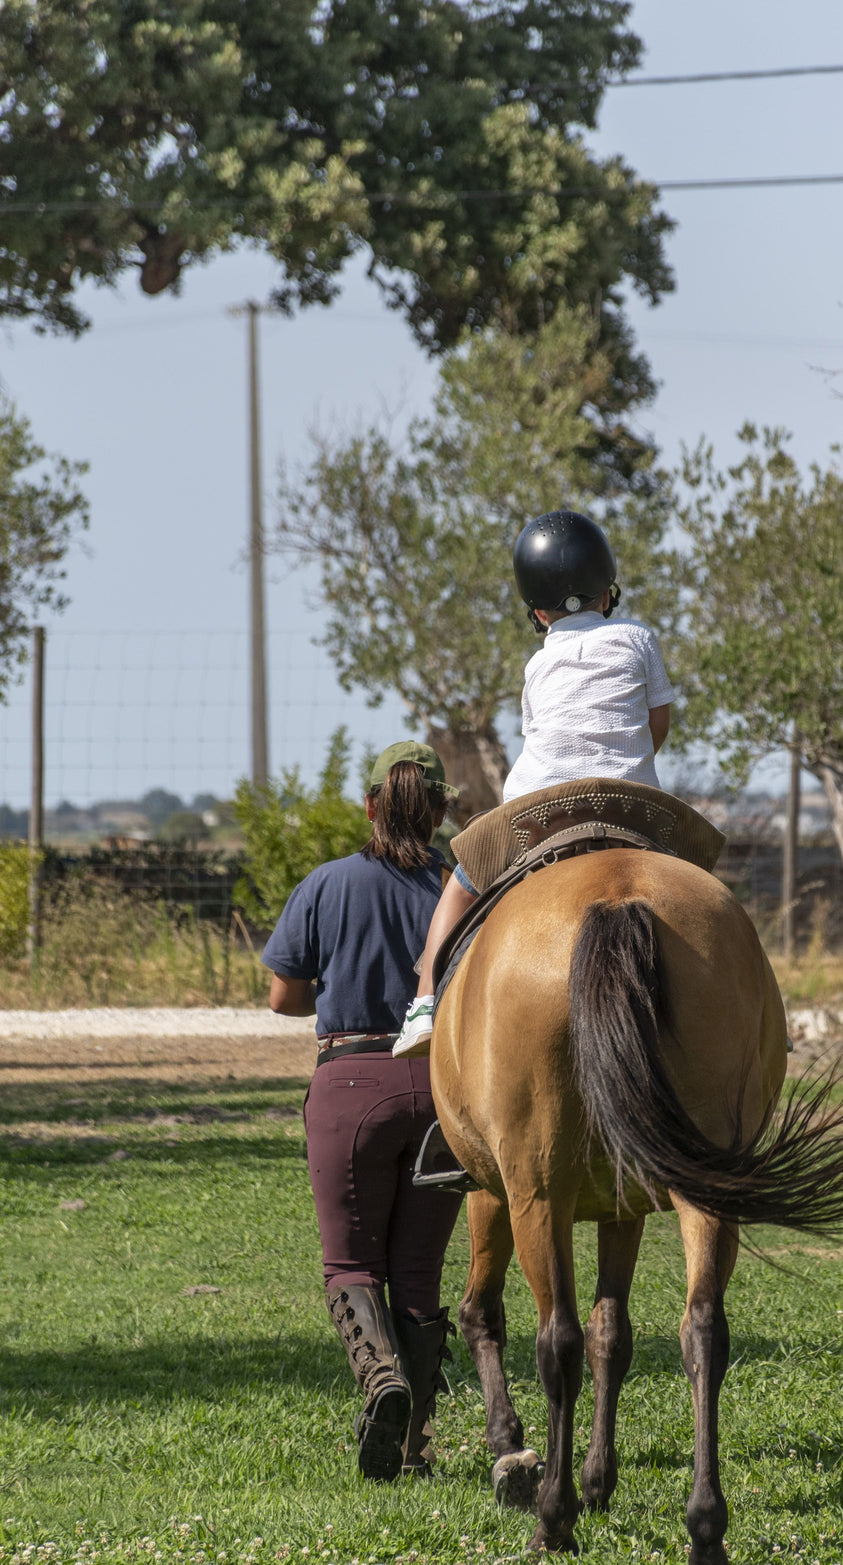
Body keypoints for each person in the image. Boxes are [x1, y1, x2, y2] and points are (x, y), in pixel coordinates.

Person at [392, 509, 673, 1058]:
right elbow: (656, 724)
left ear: (537, 613)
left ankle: (424, 1003)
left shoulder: (537, 665)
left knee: (463, 880)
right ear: (607, 591)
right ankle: (762, 1004)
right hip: (631, 801)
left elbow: (541, 738)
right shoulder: (639, 638)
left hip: (539, 806)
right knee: (696, 875)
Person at [262, 740, 463, 1482]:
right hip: (442, 1089)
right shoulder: (459, 889)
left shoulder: (326, 883)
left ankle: (383, 1384)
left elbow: (283, 996)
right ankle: (415, 1450)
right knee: (418, 1271)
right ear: (441, 809)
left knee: (351, 1263)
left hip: (349, 1086)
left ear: (370, 804)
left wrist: (342, 981)